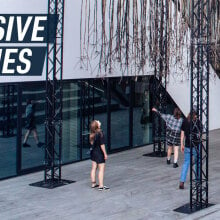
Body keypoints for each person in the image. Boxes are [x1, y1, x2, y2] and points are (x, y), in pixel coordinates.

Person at [179, 109, 202, 189]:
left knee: (186, 163)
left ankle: (182, 181)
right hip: (196, 145)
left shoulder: (185, 121)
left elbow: (182, 135)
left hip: (187, 146)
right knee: (198, 162)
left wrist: (182, 144)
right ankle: (198, 180)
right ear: (195, 115)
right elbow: (200, 134)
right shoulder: (198, 122)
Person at [89, 120, 109, 191]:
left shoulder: (92, 134)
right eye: (98, 122)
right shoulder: (100, 133)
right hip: (99, 153)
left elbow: (92, 144)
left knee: (94, 168)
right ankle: (101, 185)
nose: (99, 121)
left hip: (93, 153)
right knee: (101, 169)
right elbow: (102, 145)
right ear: (97, 125)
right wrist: (105, 154)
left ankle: (93, 183)